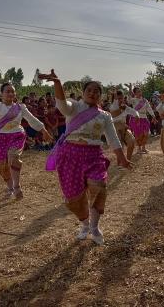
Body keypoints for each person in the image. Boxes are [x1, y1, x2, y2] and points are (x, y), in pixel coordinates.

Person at [39, 70, 131, 245]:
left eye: (97, 91)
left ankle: (95, 227)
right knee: (73, 197)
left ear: (100, 95)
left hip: (94, 155)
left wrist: (122, 158)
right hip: (69, 155)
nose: (93, 93)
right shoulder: (74, 107)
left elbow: (113, 138)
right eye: (89, 90)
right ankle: (84, 224)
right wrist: (58, 83)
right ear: (83, 93)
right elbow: (61, 104)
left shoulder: (105, 116)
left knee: (99, 189)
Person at [0, 82, 53, 199]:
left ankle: (16, 186)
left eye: (12, 91)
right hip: (0, 138)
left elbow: (32, 119)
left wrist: (44, 131)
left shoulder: (20, 107)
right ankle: (10, 187)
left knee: (13, 157)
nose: (10, 93)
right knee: (1, 166)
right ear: (1, 93)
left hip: (16, 136)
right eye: (7, 91)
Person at [109, 90, 139, 162]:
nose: (121, 100)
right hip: (115, 128)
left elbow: (134, 112)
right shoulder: (113, 106)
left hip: (124, 127)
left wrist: (137, 116)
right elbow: (114, 113)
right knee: (119, 147)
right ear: (115, 99)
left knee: (131, 142)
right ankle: (120, 163)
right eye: (118, 98)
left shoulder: (125, 107)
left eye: (122, 98)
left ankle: (127, 161)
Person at [128, 86, 156, 154]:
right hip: (136, 118)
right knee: (138, 134)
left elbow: (149, 108)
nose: (140, 93)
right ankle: (139, 148)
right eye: (138, 92)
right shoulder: (133, 100)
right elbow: (128, 101)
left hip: (144, 117)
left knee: (146, 134)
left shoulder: (145, 100)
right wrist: (130, 89)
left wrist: (153, 115)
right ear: (134, 93)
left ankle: (144, 147)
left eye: (140, 91)